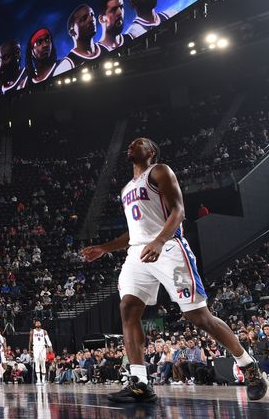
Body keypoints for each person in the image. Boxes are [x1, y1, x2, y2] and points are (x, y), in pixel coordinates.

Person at [82, 137, 268, 403]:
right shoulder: (125, 189)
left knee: (199, 317)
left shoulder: (159, 171)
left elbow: (178, 211)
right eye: (131, 144)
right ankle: (140, 384)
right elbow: (134, 232)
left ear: (152, 151)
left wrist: (159, 240)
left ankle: (248, 365)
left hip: (168, 247)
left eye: (139, 142)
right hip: (137, 252)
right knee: (127, 309)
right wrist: (105, 247)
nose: (131, 146)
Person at [58, 5, 109, 71]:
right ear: (72, 31)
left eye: (92, 15)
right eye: (83, 19)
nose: (91, 19)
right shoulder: (67, 65)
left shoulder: (104, 49)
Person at [29, 320, 52, 385]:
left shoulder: (44, 331)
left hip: (42, 347)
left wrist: (50, 347)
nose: (38, 323)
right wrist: (29, 350)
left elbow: (48, 340)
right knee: (37, 363)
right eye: (37, 323)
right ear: (35, 324)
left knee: (43, 364)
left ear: (40, 324)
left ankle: (43, 380)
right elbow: (30, 342)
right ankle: (38, 380)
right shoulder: (32, 331)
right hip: (35, 347)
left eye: (39, 322)